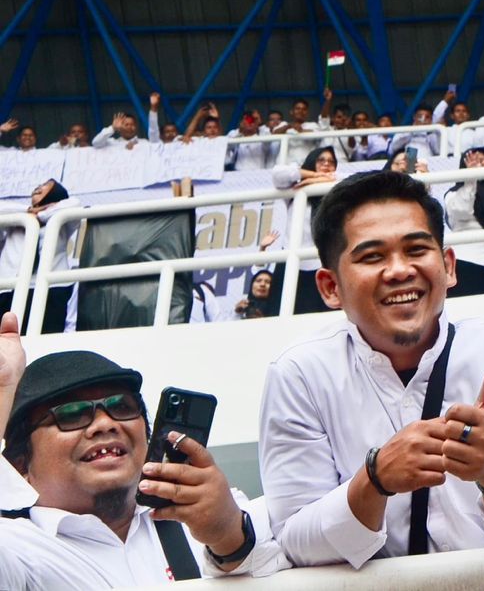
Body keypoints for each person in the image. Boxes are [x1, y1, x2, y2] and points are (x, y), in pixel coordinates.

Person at [257, 170, 484, 566]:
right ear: (330, 288)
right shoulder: (299, 374)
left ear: (449, 266)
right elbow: (295, 543)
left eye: (417, 249)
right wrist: (374, 480)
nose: (400, 270)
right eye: (372, 256)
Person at [0, 314, 286, 584]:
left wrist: (229, 539)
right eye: (72, 414)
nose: (105, 423)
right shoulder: (15, 545)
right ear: (20, 464)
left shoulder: (219, 512)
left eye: (121, 407)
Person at [0, 180, 81, 332]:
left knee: (48, 337)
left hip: (52, 288)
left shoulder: (62, 221)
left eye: (45, 186)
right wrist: (28, 211)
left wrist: (42, 214)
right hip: (10, 288)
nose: (38, 187)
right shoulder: (16, 218)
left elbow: (75, 203)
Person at [269, 146, 341, 316]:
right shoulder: (296, 187)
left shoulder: (336, 191)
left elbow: (348, 180)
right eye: (321, 160)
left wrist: (323, 181)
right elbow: (277, 174)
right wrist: (315, 176)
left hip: (323, 263)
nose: (326, 164)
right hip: (291, 262)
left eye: (331, 162)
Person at [442, 147, 484, 296]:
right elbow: (462, 210)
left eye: (483, 160)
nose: (479, 164)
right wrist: (471, 179)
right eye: (473, 161)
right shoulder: (454, 193)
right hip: (467, 262)